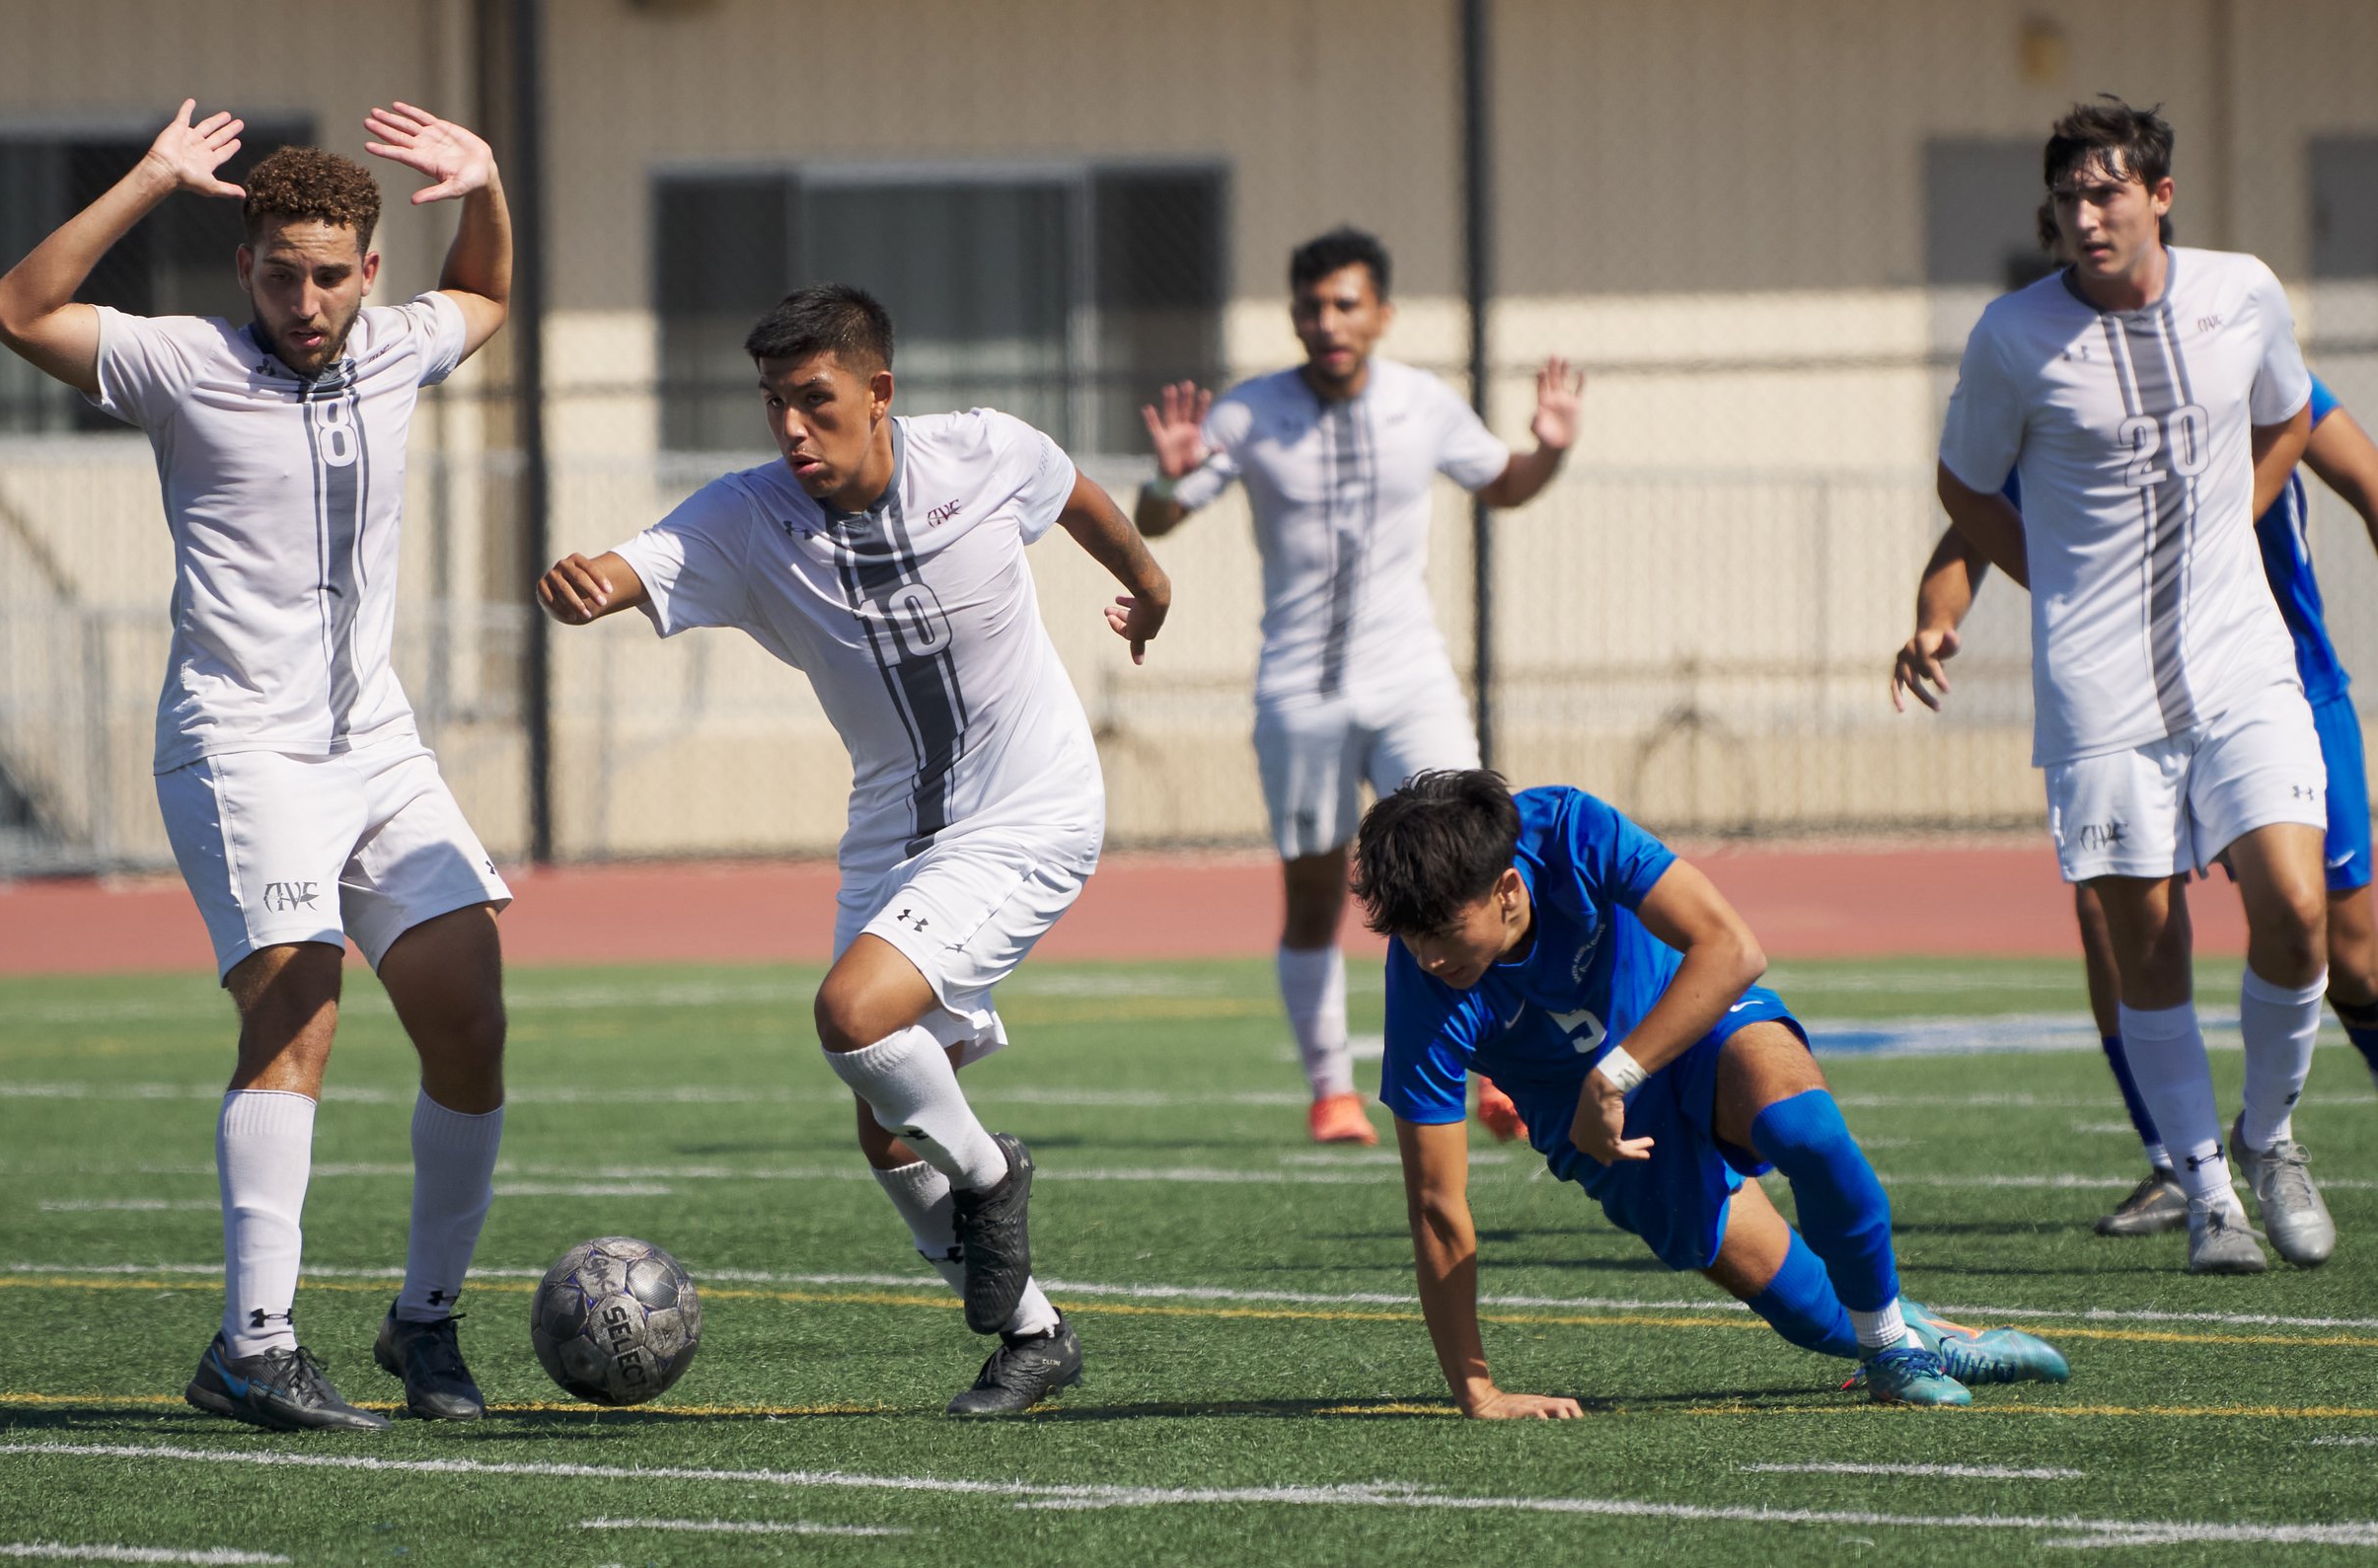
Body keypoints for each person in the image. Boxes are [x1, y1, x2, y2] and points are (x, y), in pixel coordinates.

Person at [538, 284, 1171, 1416]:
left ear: (879, 393)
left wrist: (1151, 580)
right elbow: (639, 561)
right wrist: (590, 585)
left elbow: (1075, 496)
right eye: (772, 403)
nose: (789, 429)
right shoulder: (748, 516)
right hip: (895, 829)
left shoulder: (982, 455)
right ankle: (1035, 1335)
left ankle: (992, 1175)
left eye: (813, 401)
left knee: (852, 1014)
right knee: (884, 1123)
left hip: (1030, 804)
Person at [0, 101, 516, 1429]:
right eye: (281, 271)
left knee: (470, 1022)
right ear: (246, 268)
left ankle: (426, 1324)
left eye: (330, 272)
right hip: (240, 744)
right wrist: (153, 180)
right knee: (299, 1015)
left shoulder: (397, 348)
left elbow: (489, 291)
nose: (306, 296)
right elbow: (15, 307)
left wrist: (488, 185)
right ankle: (252, 1346)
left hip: (375, 742)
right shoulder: (180, 363)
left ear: (368, 272)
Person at [1928, 98, 2331, 1273]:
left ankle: (2272, 1134)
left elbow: (2293, 415)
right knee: (2143, 939)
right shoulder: (2011, 335)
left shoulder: (2242, 290)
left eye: (2107, 192)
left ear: (2159, 196)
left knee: (2294, 908)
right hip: (2098, 685)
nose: (2085, 216)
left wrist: (2223, 527)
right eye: (2067, 199)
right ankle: (2207, 1186)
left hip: (2241, 659)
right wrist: (2050, 583)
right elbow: (1963, 489)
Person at [1356, 770, 2068, 1415]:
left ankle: (1891, 1347)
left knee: (1808, 1133)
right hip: (1596, 1129)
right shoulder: (1423, 992)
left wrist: (1616, 1072)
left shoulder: (1573, 828)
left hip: (1692, 1021)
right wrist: (1478, 1391)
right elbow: (1437, 1204)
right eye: (1411, 938)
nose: (1430, 958)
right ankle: (1928, 1332)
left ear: (1508, 887)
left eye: (1444, 933)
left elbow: (1732, 948)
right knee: (1812, 1316)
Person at [1898, 369, 2378, 1242]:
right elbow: (1969, 519)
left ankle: (2263, 1139)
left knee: (2350, 954)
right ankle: (2177, 1161)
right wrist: (1936, 616)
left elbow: (2367, 478)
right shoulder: (2065, 384)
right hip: (2132, 701)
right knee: (2114, 913)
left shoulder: (2235, 340)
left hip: (2279, 688)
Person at [1135, 226, 1581, 1146]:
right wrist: (1164, 480)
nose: (1328, 321)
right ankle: (1332, 1087)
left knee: (1478, 859)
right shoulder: (1248, 413)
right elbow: (1162, 517)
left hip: (1410, 678)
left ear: (1381, 314)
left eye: (1345, 303)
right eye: (1311, 305)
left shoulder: (1423, 403)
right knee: (1314, 893)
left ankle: (1494, 1069)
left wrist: (1550, 451)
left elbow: (1505, 484)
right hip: (1298, 689)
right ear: (1294, 316)